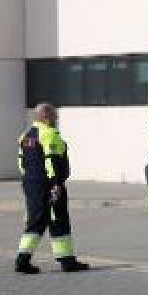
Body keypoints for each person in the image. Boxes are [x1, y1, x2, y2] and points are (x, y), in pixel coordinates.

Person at [15, 103, 89, 274]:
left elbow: (21, 163)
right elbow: (51, 161)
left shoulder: (25, 136)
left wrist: (28, 181)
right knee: (53, 219)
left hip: (31, 184)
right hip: (49, 185)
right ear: (46, 117)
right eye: (55, 116)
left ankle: (66, 260)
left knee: (43, 219)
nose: (57, 119)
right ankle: (23, 260)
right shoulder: (49, 134)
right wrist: (55, 184)